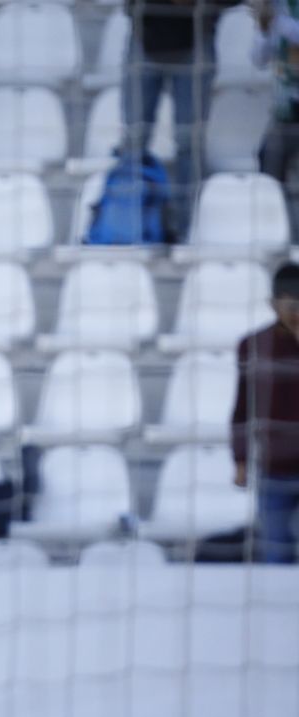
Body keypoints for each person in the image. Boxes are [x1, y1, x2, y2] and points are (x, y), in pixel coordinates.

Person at [120, 0, 239, 241]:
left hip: (196, 40)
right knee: (134, 140)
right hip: (145, 36)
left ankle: (186, 231)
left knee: (189, 144)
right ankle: (127, 225)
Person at [232, 263, 299, 563]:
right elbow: (242, 407)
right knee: (275, 552)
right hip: (274, 468)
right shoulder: (254, 345)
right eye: (290, 305)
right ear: (273, 304)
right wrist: (240, 459)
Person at [254, 0, 299, 185]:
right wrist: (264, 29)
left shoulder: (280, 15)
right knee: (268, 159)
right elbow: (258, 58)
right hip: (285, 111)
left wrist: (276, 21)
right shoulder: (277, 5)